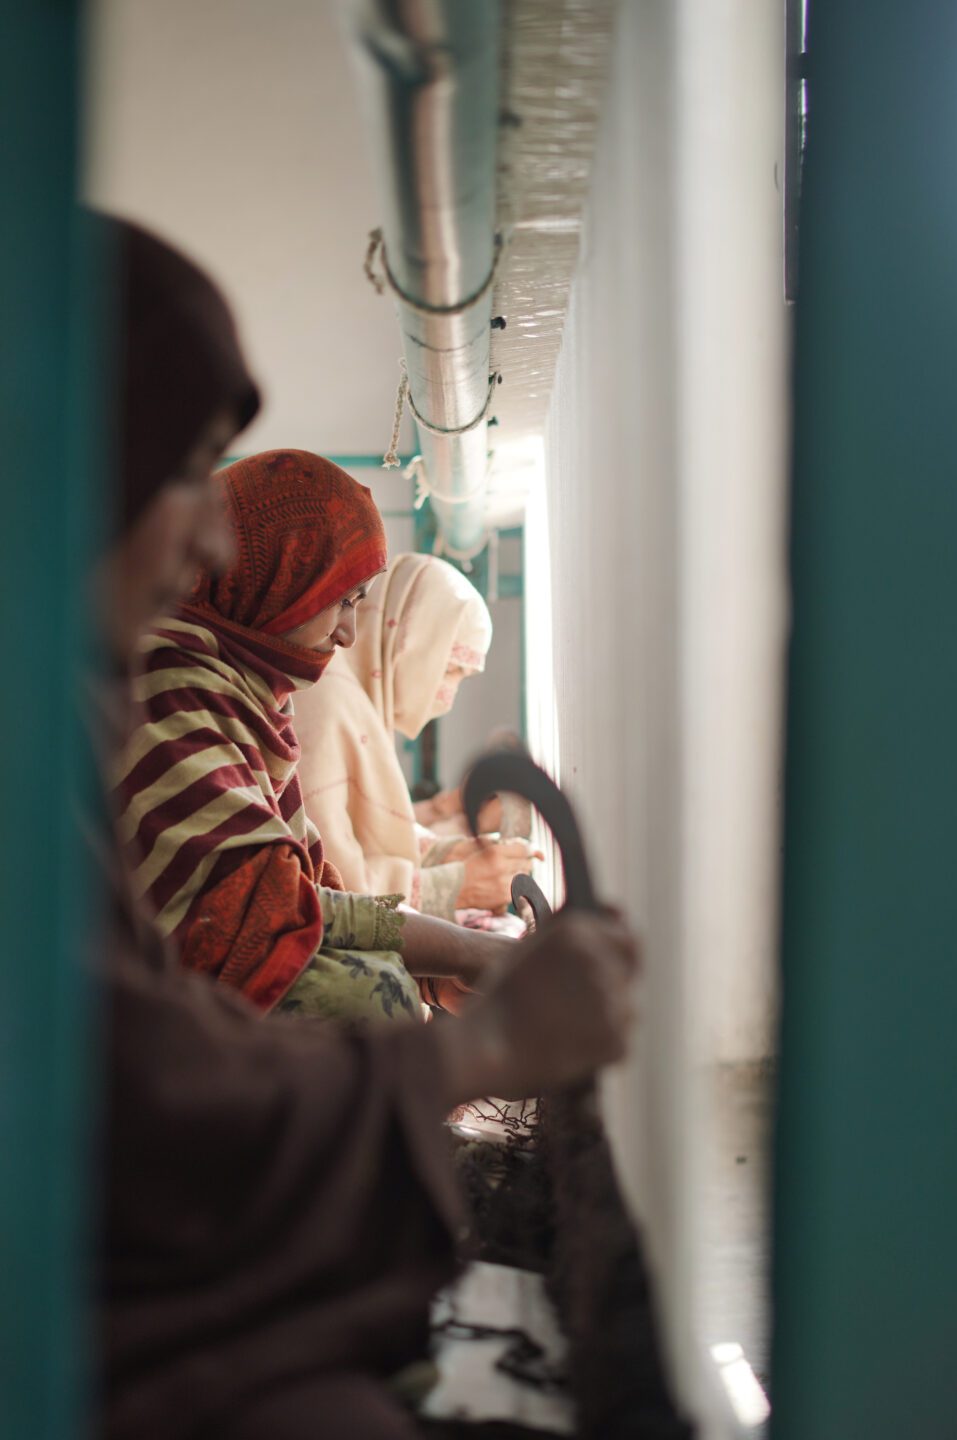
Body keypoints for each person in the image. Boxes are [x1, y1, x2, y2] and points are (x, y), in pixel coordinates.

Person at [94, 214, 639, 1439]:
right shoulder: (173, 687)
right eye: (181, 473)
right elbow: (171, 1043)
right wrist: (479, 1040)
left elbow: (277, 897)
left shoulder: (209, 697)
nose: (208, 536)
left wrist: (457, 952)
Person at [111, 448, 513, 1023]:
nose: (348, 634)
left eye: (358, 605)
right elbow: (265, 908)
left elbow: (303, 887)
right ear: (280, 580)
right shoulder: (169, 689)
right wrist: (464, 949)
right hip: (130, 1018)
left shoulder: (247, 699)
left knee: (388, 987)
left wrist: (432, 973)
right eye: (340, 601)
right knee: (370, 998)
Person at [294, 552, 539, 923]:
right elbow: (328, 886)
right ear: (413, 642)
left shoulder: (357, 697)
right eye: (451, 670)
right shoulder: (327, 703)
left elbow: (362, 834)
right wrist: (456, 886)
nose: (448, 698)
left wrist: (450, 854)